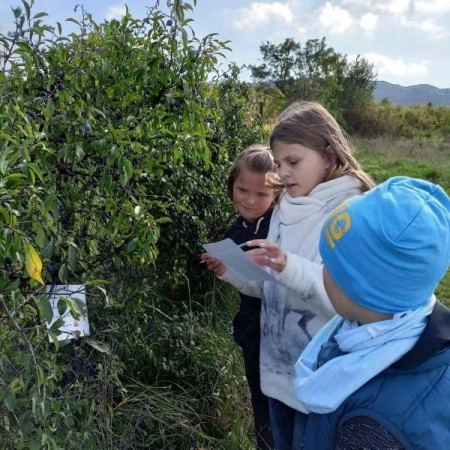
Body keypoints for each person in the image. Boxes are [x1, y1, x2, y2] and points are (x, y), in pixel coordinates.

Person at [203, 101, 375, 449]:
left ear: (328, 155)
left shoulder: (351, 213)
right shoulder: (284, 207)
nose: (282, 174)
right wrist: (231, 272)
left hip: (322, 382)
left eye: (293, 162)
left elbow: (351, 304)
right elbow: (271, 284)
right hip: (278, 376)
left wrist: (288, 266)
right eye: (279, 163)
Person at [293, 176, 450, 449]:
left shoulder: (373, 429)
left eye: (329, 263)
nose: (322, 269)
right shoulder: (408, 326)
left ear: (361, 290)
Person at [222, 145, 277, 449]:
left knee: (282, 405)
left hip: (282, 332)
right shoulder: (235, 231)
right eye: (243, 190)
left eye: (262, 194)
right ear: (232, 187)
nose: (251, 201)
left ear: (276, 195)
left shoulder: (279, 228)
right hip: (252, 331)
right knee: (260, 401)